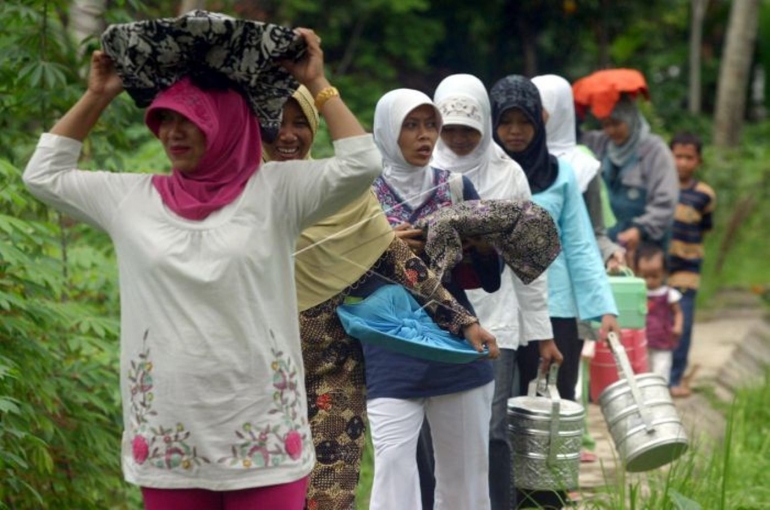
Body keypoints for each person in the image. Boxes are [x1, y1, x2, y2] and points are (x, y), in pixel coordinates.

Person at [23, 29, 383, 510]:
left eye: (189, 120)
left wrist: (318, 81)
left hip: (264, 436)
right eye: (164, 120)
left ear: (228, 122)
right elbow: (42, 175)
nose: (172, 133)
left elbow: (361, 164)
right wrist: (98, 95)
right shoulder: (129, 200)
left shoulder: (277, 193)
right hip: (171, 438)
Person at [365, 88, 501, 510]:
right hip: (389, 346)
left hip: (456, 344)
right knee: (393, 470)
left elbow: (490, 278)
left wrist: (478, 245)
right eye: (411, 125)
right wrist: (381, 246)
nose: (424, 136)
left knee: (466, 481)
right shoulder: (358, 195)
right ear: (388, 130)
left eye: (430, 125)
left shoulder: (457, 187)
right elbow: (335, 273)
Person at [432, 73, 562, 510]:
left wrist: (542, 332)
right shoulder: (420, 169)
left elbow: (531, 263)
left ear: (484, 127)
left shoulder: (509, 175)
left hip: (496, 318)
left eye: (469, 130)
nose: (460, 138)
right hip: (434, 319)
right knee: (436, 431)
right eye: (449, 129)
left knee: (492, 428)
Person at [490, 74, 619, 509]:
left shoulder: (560, 174)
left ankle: (545, 500)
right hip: (493, 308)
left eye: (524, 120)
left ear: (539, 124)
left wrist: (602, 306)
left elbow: (581, 244)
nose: (514, 131)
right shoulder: (481, 170)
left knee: (547, 416)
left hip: (557, 311)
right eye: (505, 121)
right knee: (498, 415)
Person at [532, 73, 625, 465]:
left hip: (566, 293)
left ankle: (560, 469)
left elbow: (591, 233)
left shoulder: (580, 167)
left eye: (542, 109)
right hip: (521, 296)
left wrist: (608, 263)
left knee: (564, 379)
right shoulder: (503, 160)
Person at [574, 70, 678, 265]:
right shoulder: (600, 144)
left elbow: (666, 201)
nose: (610, 131)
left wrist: (641, 229)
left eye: (616, 123)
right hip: (605, 249)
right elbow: (570, 138)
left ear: (630, 118)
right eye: (605, 124)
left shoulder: (654, 151)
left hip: (645, 251)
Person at [667, 132, 715, 397]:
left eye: (689, 158)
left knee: (681, 324)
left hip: (687, 269)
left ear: (698, 161)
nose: (682, 163)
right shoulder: (660, 188)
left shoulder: (705, 195)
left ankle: (675, 378)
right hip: (658, 269)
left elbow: (705, 228)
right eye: (678, 156)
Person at [635, 243, 684, 383]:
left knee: (661, 371)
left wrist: (678, 326)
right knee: (644, 372)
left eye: (655, 276)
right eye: (645, 276)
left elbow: (678, 312)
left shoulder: (668, 294)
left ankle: (661, 396)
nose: (650, 281)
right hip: (642, 341)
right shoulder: (638, 293)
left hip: (663, 340)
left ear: (664, 273)